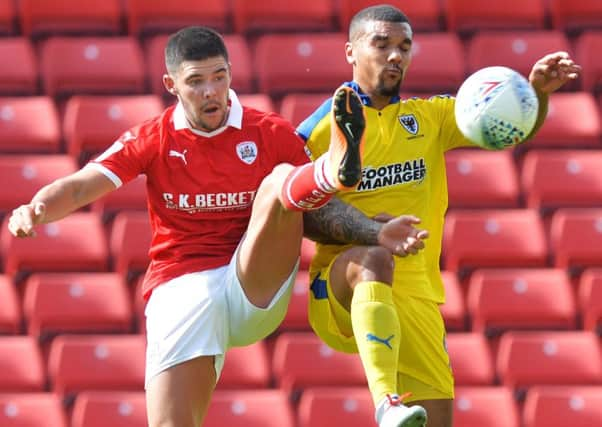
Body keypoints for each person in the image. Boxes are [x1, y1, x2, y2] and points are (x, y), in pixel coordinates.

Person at [6, 26, 383, 427]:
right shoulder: (153, 137)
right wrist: (37, 207)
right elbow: (85, 182)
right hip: (182, 286)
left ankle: (329, 170)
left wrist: (375, 232)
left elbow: (313, 214)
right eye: (196, 81)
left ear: (231, 74)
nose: (211, 91)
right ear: (171, 84)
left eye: (219, 77)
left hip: (253, 283)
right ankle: (324, 171)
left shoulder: (270, 132)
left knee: (280, 182)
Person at [298, 5, 581, 427]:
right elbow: (293, 206)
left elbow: (510, 129)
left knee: (436, 421)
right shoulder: (321, 128)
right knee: (375, 258)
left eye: (404, 47)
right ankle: (385, 401)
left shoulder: (428, 118)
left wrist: (536, 94)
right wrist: (372, 230)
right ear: (350, 52)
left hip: (417, 295)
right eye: (382, 44)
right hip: (341, 286)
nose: (396, 55)